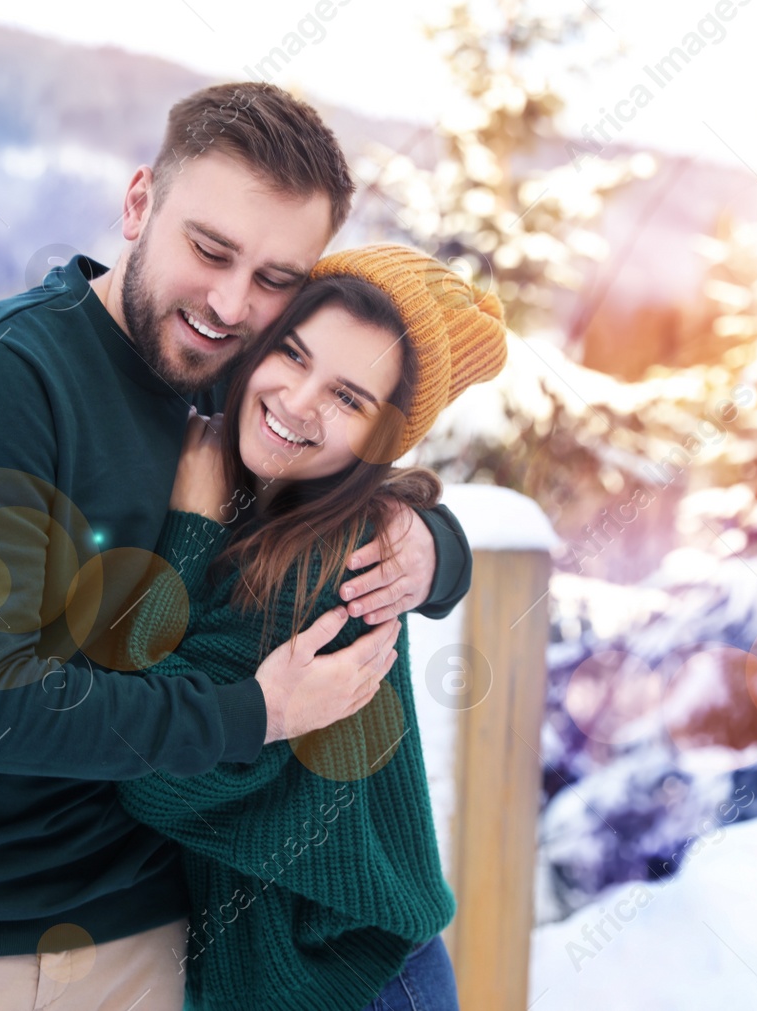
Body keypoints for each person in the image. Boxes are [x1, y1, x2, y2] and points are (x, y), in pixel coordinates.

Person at [0, 84, 477, 1010]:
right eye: (209, 249)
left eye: (274, 281)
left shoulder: (238, 390)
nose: (229, 303)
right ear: (139, 203)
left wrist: (430, 545)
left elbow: (344, 480)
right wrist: (248, 714)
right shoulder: (1, 378)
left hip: (139, 937)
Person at [114, 244, 508, 1011]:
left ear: (379, 442)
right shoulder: (253, 486)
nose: (298, 400)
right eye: (292, 353)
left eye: (349, 399)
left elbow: (151, 761)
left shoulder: (336, 559)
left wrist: (190, 527)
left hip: (349, 979)